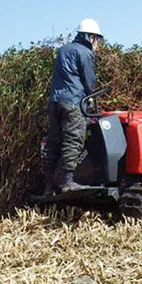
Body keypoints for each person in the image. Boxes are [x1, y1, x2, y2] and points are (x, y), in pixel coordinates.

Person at [44, 18, 104, 193]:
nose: (98, 43)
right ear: (91, 37)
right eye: (97, 39)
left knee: (54, 142)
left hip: (55, 102)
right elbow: (89, 79)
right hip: (73, 102)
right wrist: (90, 95)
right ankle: (66, 182)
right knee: (74, 141)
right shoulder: (85, 52)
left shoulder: (63, 50)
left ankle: (48, 185)